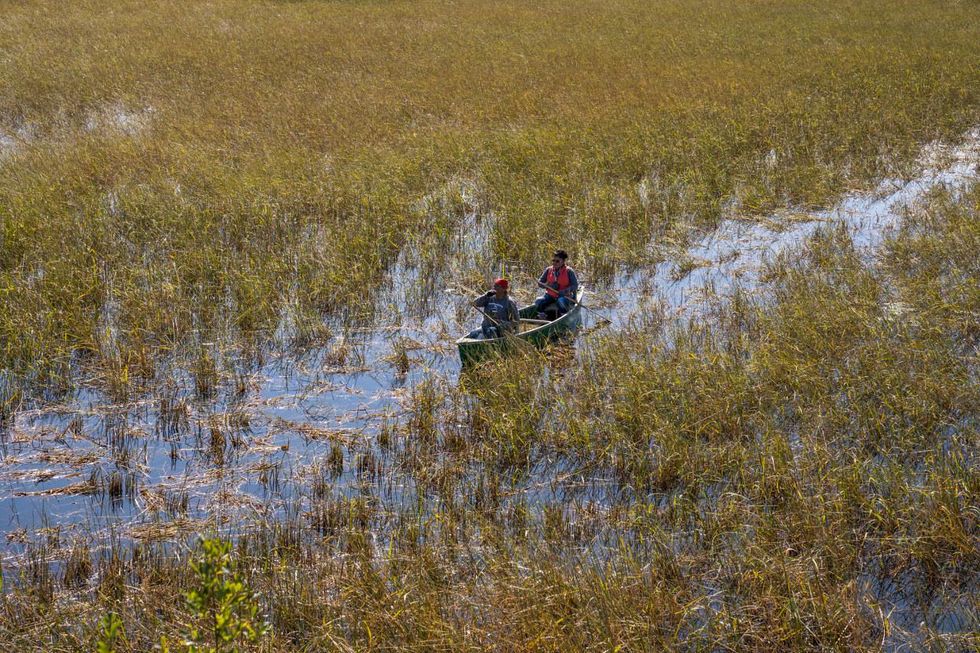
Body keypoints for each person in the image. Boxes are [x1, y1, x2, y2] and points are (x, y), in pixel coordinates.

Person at [534, 249, 578, 318]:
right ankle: (542, 316)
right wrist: (548, 286)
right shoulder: (548, 269)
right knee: (538, 301)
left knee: (560, 301)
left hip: (565, 296)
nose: (554, 263)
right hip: (551, 295)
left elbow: (575, 286)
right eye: (553, 260)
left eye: (557, 261)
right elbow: (540, 283)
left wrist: (565, 291)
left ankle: (563, 316)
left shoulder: (569, 271)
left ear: (563, 261)